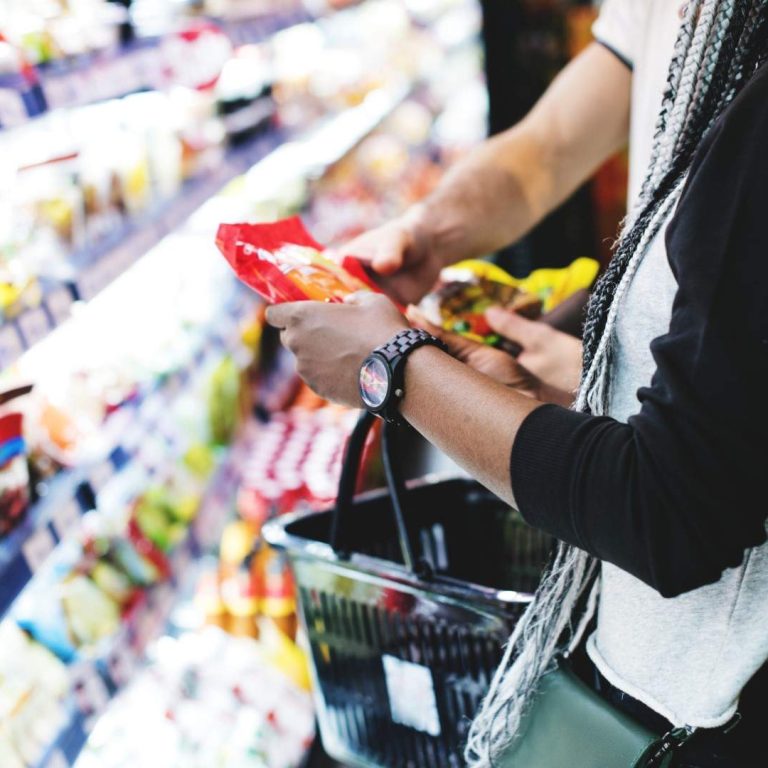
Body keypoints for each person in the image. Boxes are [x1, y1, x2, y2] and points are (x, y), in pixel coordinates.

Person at [266, 1, 768, 765]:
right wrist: (428, 236)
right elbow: (552, 140)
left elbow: (672, 512)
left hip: (710, 701)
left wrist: (395, 368)